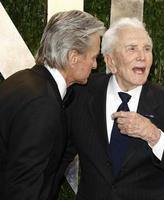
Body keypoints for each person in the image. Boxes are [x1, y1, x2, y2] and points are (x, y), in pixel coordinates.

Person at [65, 17, 164, 200]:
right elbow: (61, 153)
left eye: (147, 49)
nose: (142, 56)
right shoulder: (81, 93)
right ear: (111, 61)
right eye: (132, 48)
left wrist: (153, 135)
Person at [0, 10, 105, 200]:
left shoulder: (23, 80)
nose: (95, 65)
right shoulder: (42, 102)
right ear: (74, 57)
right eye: (93, 57)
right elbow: (25, 186)